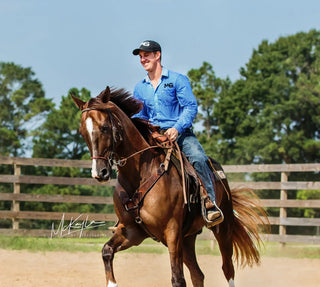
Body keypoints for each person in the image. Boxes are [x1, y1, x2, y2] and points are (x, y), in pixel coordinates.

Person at [132, 40, 223, 226]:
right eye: (141, 56)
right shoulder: (139, 88)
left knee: (198, 157)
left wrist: (177, 128)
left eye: (146, 55)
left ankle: (210, 204)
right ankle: (128, 211)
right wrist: (149, 132)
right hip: (154, 136)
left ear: (157, 55)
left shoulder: (177, 80)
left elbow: (190, 107)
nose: (143, 59)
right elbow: (140, 116)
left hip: (180, 134)